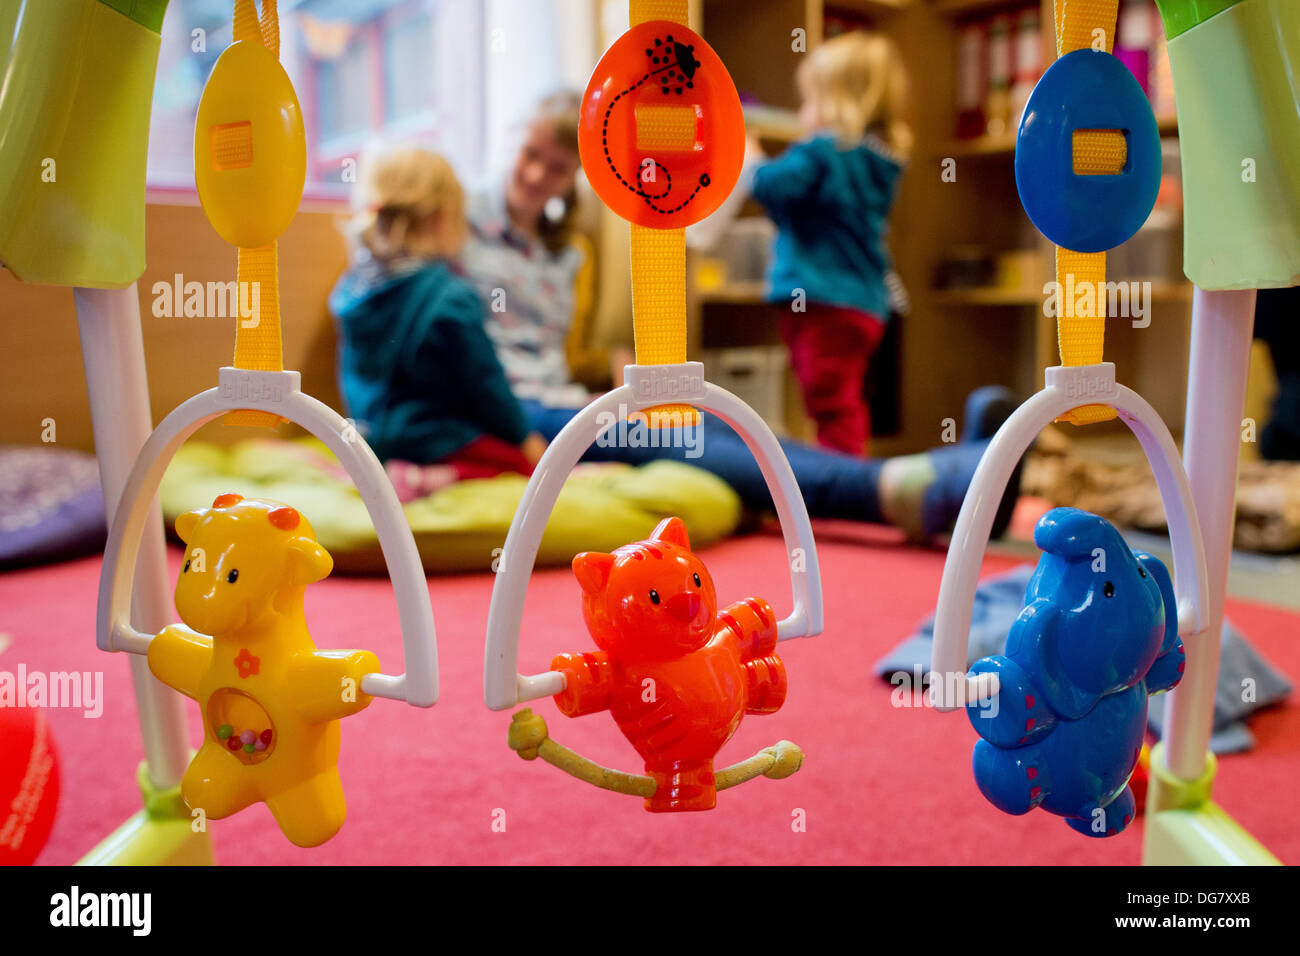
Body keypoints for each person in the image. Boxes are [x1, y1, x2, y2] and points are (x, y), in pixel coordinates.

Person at [328, 145, 547, 501]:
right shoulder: (448, 296)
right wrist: (524, 439)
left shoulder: (352, 291)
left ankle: (399, 471)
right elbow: (486, 386)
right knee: (523, 467)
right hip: (440, 441)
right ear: (442, 219)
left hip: (373, 440)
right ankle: (428, 478)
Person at [748, 31, 911, 456]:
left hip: (823, 302)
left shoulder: (823, 151)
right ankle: (840, 475)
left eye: (809, 100)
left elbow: (772, 185)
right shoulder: (879, 159)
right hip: (863, 305)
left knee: (830, 405)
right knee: (841, 401)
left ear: (835, 102)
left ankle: (842, 486)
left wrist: (749, 156)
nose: (803, 112)